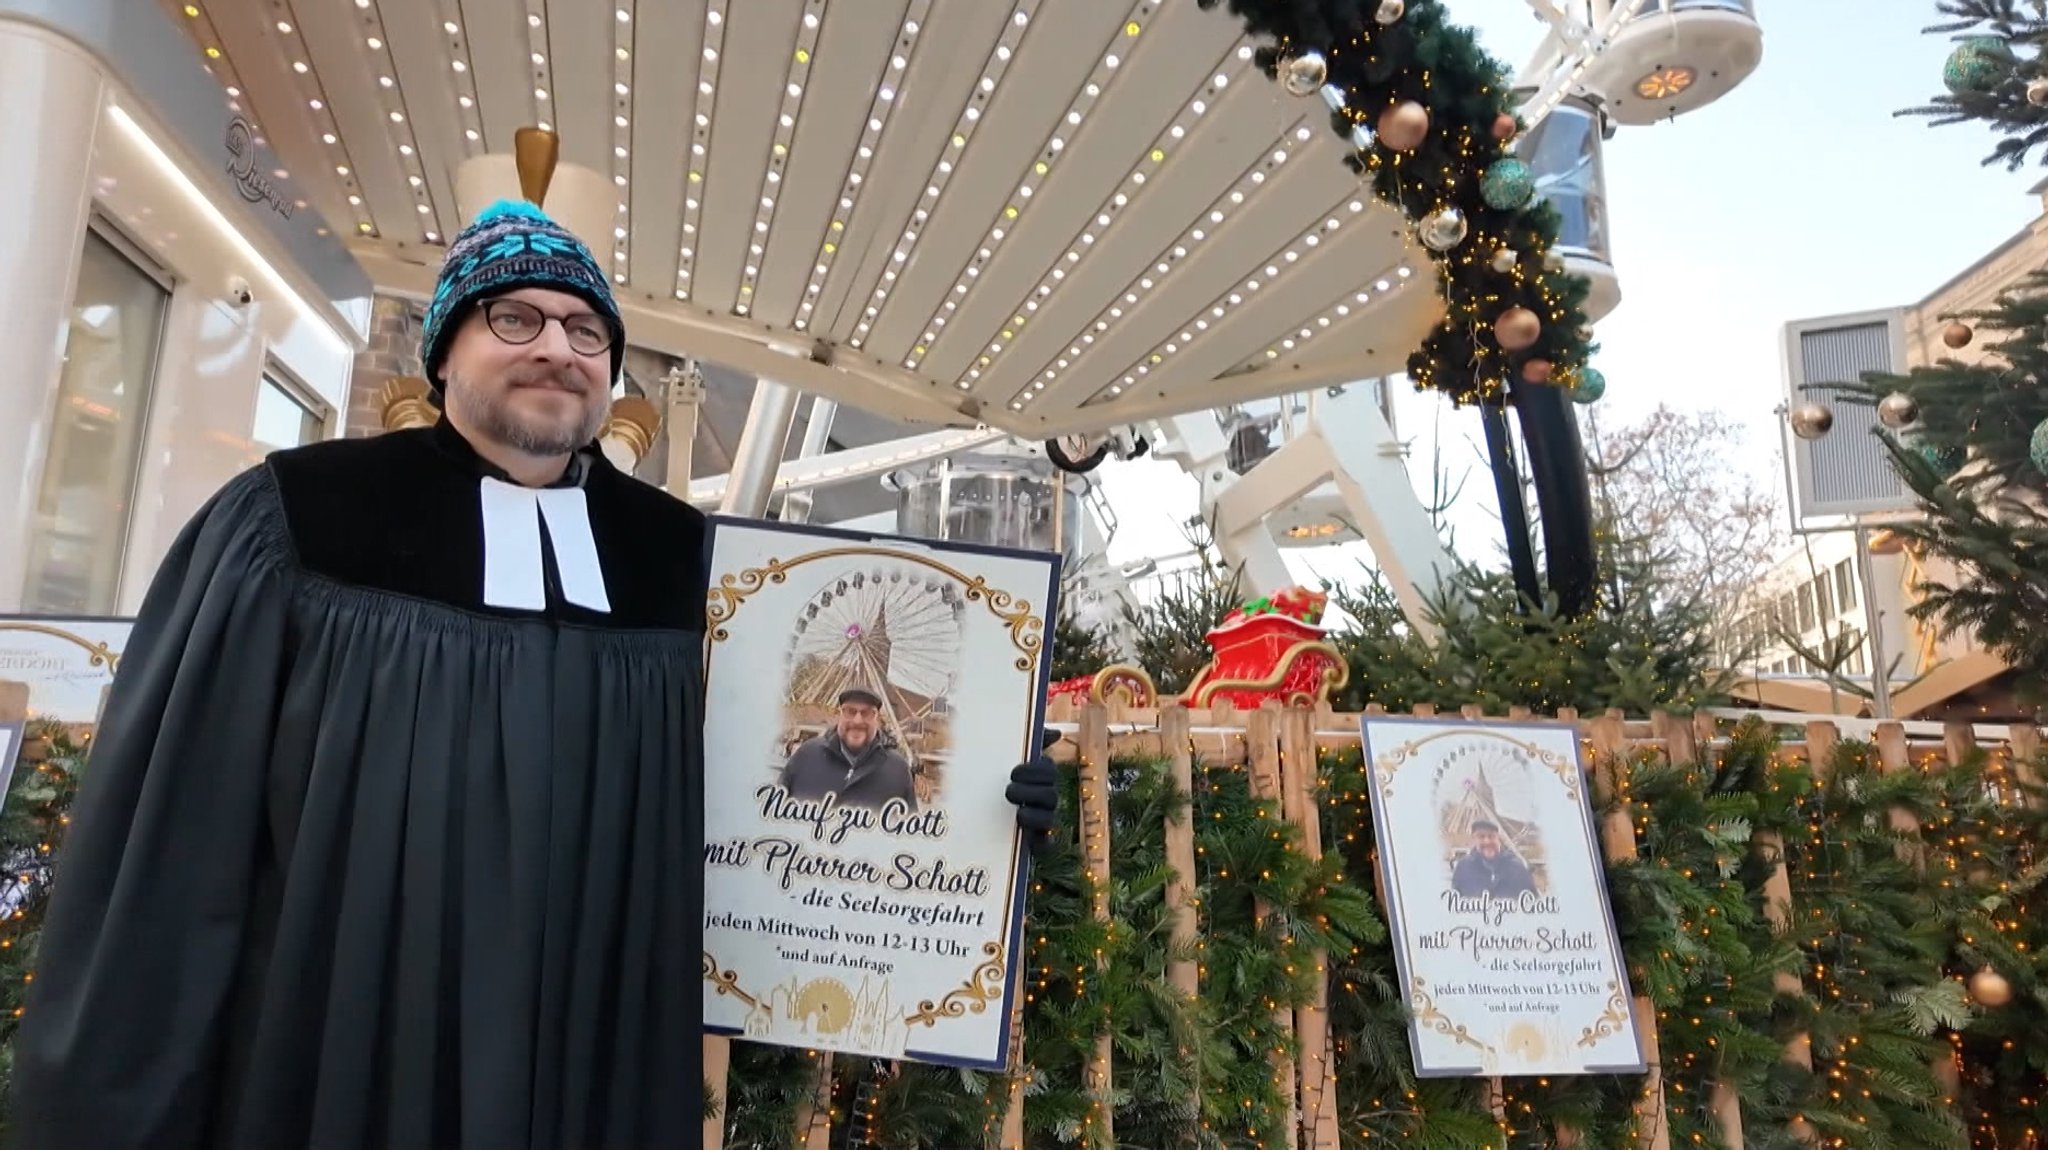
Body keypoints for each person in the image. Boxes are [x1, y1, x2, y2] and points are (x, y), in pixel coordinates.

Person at [9, 199, 1060, 1150]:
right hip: (346, 1050)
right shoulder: (296, 522)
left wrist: (971, 798)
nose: (557, 347)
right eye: (515, 317)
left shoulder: (694, 567)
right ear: (445, 350)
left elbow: (780, 804)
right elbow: (177, 834)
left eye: (586, 329)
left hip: (593, 1055)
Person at [779, 687, 917, 810]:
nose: (857, 721)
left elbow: (911, 834)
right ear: (840, 714)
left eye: (867, 713)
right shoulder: (806, 755)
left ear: (877, 718)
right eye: (850, 711)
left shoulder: (898, 770)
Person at [1450, 818, 1537, 900]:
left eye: (1491, 836)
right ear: (1474, 840)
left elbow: (1533, 902)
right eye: (1481, 837)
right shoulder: (1463, 868)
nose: (1487, 841)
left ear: (1498, 839)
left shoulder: (1517, 868)